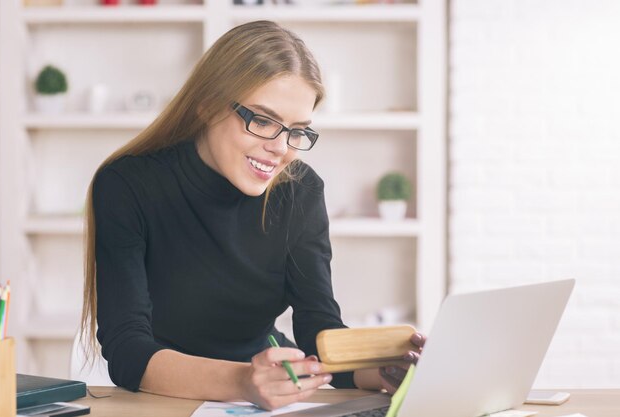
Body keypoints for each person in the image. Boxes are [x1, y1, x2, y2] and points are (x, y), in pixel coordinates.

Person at [80, 20, 425, 410]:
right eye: (262, 120)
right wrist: (243, 380)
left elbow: (318, 328)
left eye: (297, 130)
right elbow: (127, 348)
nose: (280, 149)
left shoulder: (301, 191)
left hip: (268, 390)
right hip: (164, 399)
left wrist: (379, 371)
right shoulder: (128, 184)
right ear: (208, 105)